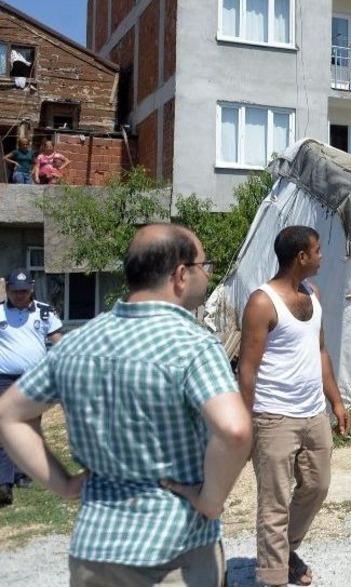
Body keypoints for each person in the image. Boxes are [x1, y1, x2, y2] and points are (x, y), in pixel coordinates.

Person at [0, 224, 252, 586]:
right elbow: (234, 429)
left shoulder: (79, 341)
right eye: (203, 265)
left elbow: (10, 413)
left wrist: (66, 485)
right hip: (175, 553)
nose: (207, 275)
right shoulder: (192, 345)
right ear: (180, 275)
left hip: (95, 553)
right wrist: (211, 501)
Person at [238, 226, 351, 587]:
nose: (321, 256)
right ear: (301, 257)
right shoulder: (262, 302)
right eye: (317, 250)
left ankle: (285, 551)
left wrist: (335, 400)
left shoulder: (313, 295)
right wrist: (244, 423)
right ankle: (272, 577)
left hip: (313, 413)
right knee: (273, 503)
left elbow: (320, 352)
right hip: (272, 418)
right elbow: (248, 368)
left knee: (317, 486)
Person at [0, 270, 62, 507]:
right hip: (4, 378)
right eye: (16, 291)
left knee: (30, 427)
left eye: (24, 291)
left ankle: (22, 473)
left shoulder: (44, 311)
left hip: (35, 378)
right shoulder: (0, 311)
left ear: (32, 289)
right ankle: (4, 483)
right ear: (8, 290)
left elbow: (58, 339)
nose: (20, 295)